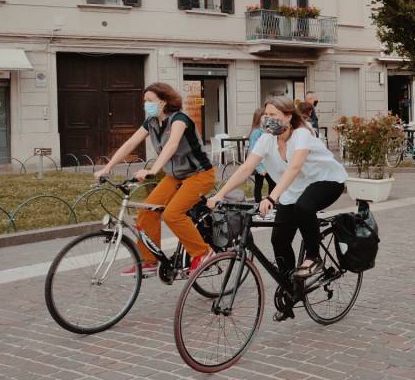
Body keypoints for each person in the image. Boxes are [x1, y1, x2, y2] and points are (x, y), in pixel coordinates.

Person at [208, 97, 348, 320]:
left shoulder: (301, 134)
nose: (267, 119)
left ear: (288, 116)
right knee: (279, 239)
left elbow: (294, 168)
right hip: (293, 189)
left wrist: (272, 197)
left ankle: (314, 256)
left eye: (273, 115)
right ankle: (291, 288)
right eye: (266, 115)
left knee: (304, 207)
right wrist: (219, 194)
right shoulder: (267, 139)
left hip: (326, 181)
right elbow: (246, 168)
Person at [94, 83, 214, 276]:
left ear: (164, 101)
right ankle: (149, 261)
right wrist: (107, 168)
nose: (146, 105)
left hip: (199, 175)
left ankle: (203, 253)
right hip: (174, 176)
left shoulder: (180, 119)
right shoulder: (151, 122)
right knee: (147, 212)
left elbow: (172, 144)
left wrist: (153, 170)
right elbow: (131, 143)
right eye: (145, 101)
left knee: (172, 214)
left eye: (150, 101)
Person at [248, 107, 276, 202]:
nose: (267, 117)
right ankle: (258, 204)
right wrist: (259, 168)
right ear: (259, 117)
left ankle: (270, 203)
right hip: (259, 165)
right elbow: (253, 151)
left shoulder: (267, 130)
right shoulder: (256, 132)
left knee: (272, 183)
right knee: (259, 184)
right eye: (264, 115)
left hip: (268, 164)